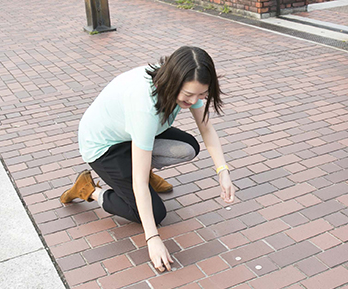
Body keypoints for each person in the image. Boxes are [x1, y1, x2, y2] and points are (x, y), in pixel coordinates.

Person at [59, 46, 235, 272]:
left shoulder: (185, 83)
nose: (194, 101)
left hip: (130, 135)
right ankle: (89, 190)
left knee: (189, 147)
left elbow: (206, 129)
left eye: (201, 95)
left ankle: (137, 168)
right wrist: (153, 239)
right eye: (189, 95)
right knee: (155, 213)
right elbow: (139, 182)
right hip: (104, 148)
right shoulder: (145, 106)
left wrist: (223, 172)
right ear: (173, 80)